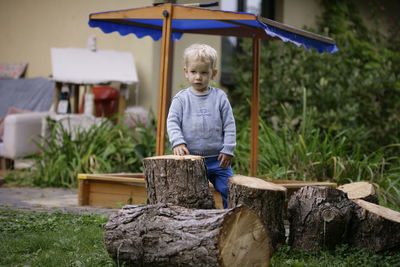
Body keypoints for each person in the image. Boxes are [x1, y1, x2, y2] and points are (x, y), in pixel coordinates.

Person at [167, 43, 236, 209]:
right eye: (193, 72)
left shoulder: (220, 97)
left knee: (228, 189)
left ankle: (230, 216)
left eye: (204, 72)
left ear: (213, 74)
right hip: (191, 160)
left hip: (218, 160)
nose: (198, 77)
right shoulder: (181, 99)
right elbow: (172, 122)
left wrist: (228, 148)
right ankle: (195, 222)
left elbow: (229, 124)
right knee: (192, 195)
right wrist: (178, 142)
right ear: (186, 72)